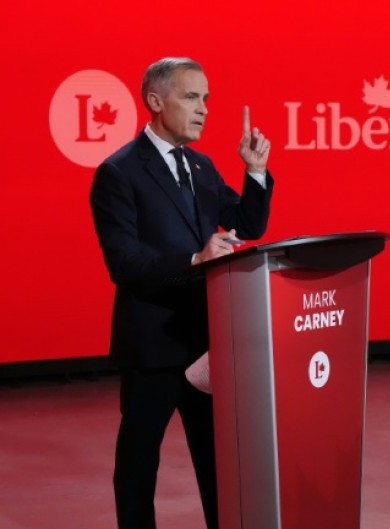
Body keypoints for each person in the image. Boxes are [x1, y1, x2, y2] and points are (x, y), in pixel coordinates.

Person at [89, 57, 274, 529]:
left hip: (205, 348)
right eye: (191, 97)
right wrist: (196, 260)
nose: (204, 109)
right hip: (153, 346)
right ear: (155, 101)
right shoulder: (119, 173)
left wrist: (255, 172)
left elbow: (247, 224)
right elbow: (124, 264)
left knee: (217, 465)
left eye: (206, 98)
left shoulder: (201, 165)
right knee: (138, 466)